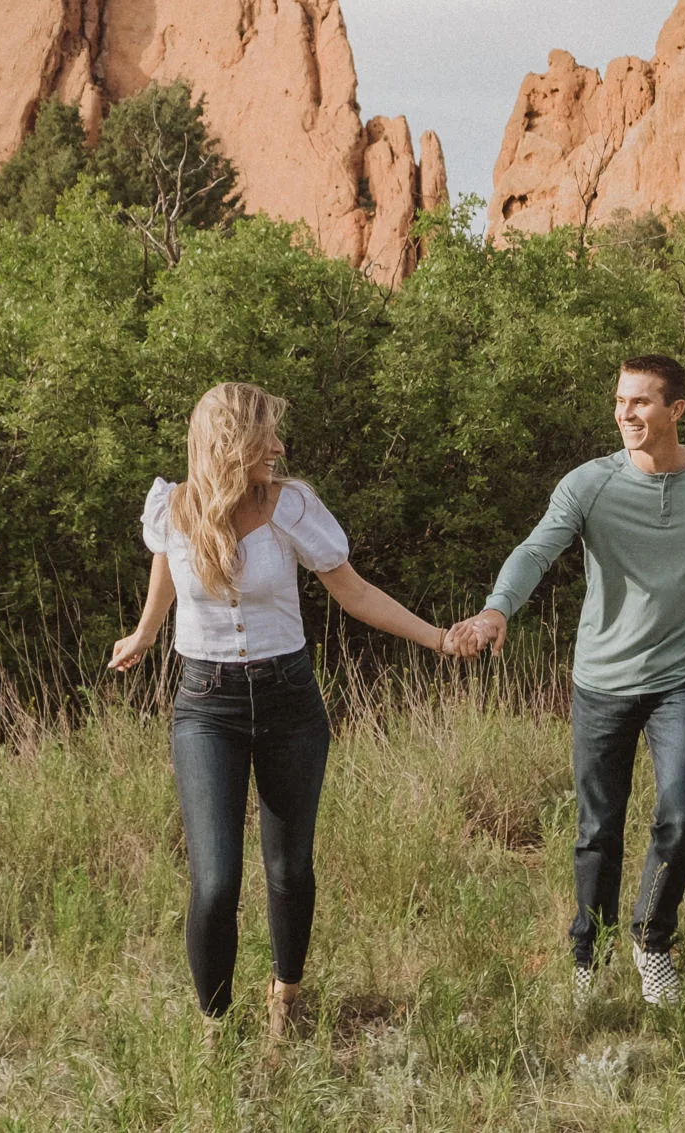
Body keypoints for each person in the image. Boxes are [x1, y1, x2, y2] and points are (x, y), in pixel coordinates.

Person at [110, 381, 454, 1036]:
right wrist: (146, 631)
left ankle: (285, 997)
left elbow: (355, 593)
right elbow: (165, 570)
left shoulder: (291, 505)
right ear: (230, 442)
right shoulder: (174, 508)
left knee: (289, 868)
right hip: (206, 706)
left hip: (289, 699)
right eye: (267, 433)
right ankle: (214, 1025)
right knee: (215, 881)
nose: (280, 445)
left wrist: (437, 637)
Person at [447, 354, 685, 1007]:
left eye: (641, 402)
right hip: (603, 680)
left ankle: (653, 941)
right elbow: (536, 549)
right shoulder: (590, 484)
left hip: (682, 678)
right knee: (599, 827)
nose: (625, 413)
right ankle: (588, 954)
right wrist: (497, 607)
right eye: (620, 400)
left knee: (681, 813)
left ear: (676, 409)